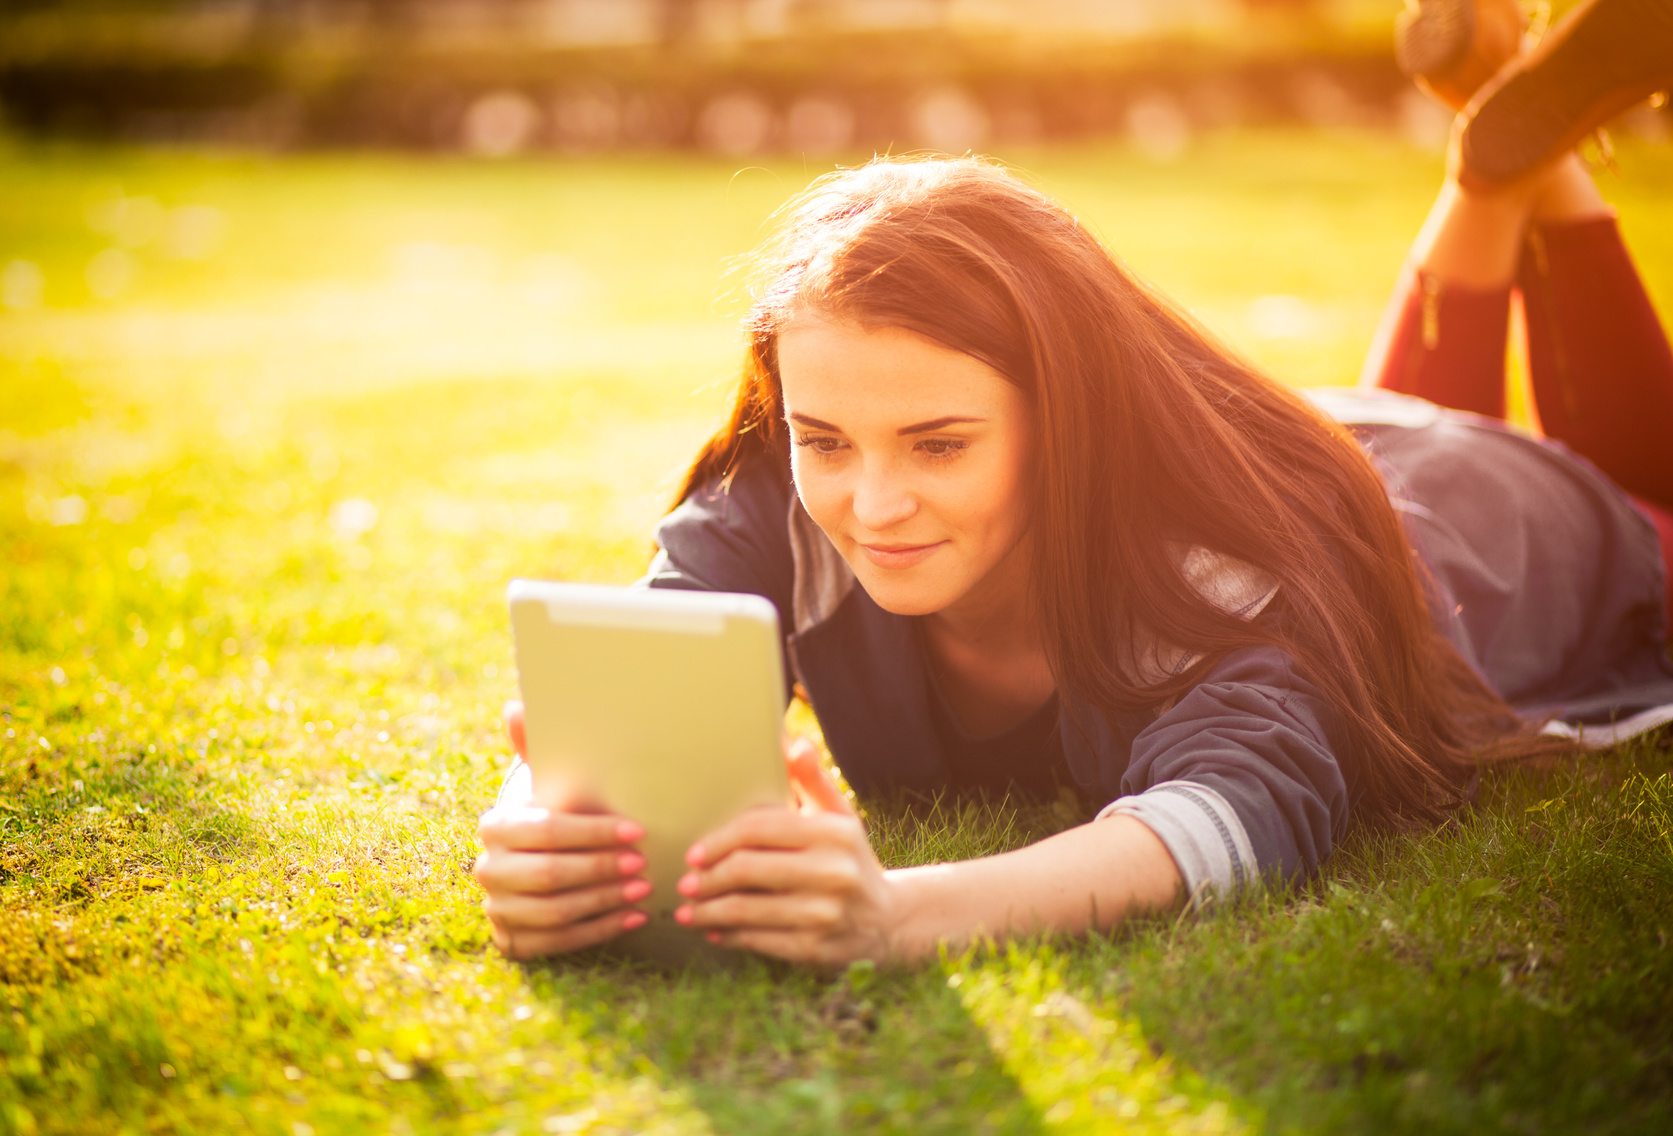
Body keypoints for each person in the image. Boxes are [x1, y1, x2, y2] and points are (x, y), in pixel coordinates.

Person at [473, 0, 1673, 967]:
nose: (869, 502)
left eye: (939, 443)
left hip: (1477, 524)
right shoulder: (779, 494)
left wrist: (899, 912)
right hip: (1335, 449)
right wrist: (543, 824)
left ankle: (1514, 166)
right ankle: (1507, 159)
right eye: (823, 437)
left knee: (1636, 493)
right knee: (1396, 429)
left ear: (1071, 423)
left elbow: (1239, 808)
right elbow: (648, 665)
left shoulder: (1217, 578)